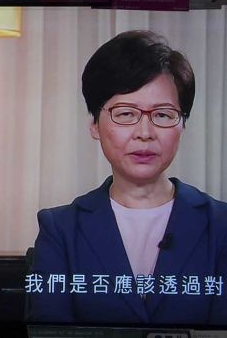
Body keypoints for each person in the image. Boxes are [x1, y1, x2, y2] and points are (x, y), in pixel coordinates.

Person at [30, 31, 227, 326]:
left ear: (183, 124)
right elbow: (47, 329)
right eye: (125, 113)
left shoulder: (221, 225)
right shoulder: (59, 230)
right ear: (95, 124)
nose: (144, 133)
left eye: (162, 115)